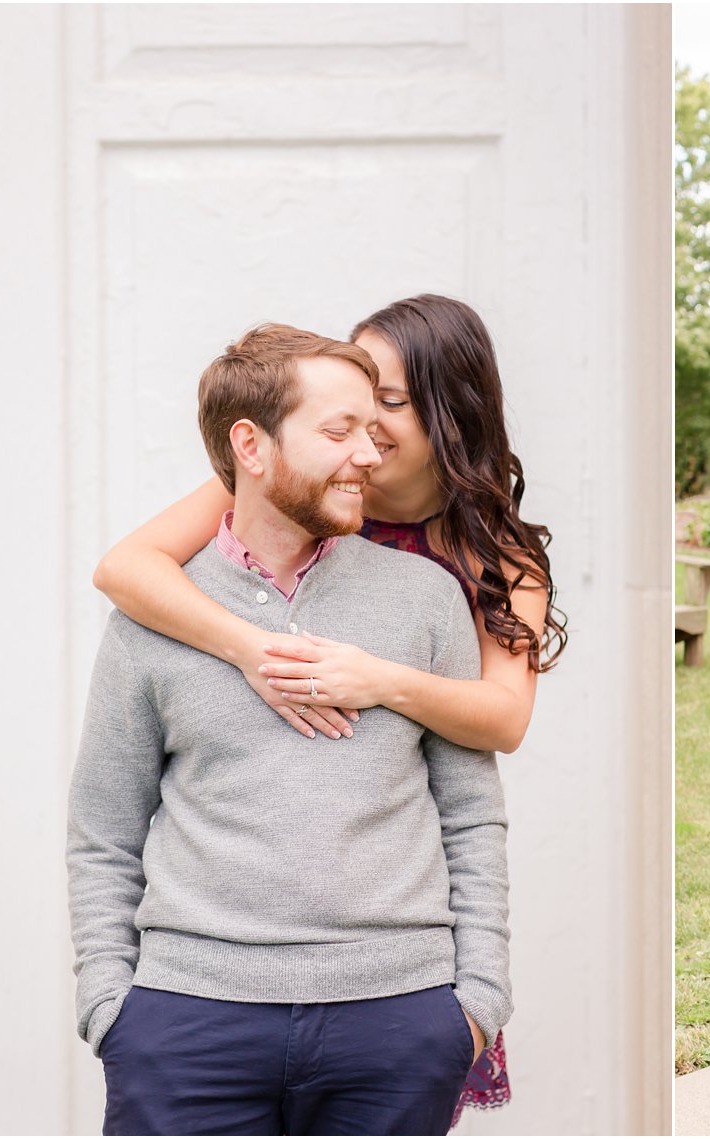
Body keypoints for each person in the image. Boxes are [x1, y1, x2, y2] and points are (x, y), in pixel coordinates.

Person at [92, 294, 565, 1123]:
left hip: (395, 997)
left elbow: (499, 728)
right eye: (345, 411)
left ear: (443, 413)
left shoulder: (480, 564)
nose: (364, 439)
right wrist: (249, 647)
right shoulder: (281, 485)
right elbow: (126, 568)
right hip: (196, 1001)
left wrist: (475, 999)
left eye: (384, 403)